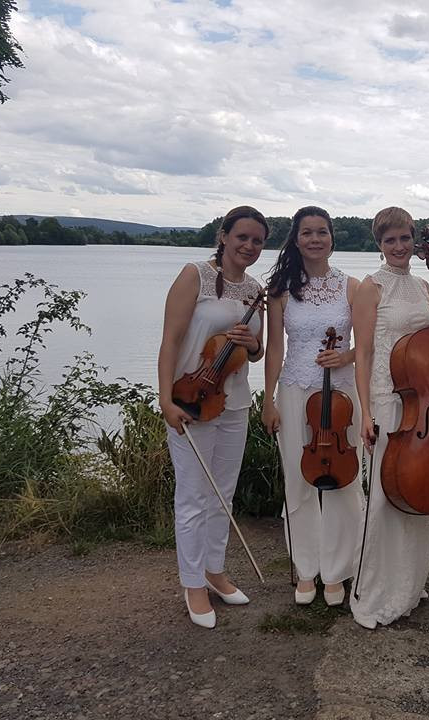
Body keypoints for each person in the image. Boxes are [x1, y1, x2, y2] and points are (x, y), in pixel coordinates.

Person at [158, 205, 267, 629]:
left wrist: (251, 341)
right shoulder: (195, 275)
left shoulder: (255, 288)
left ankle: (215, 570)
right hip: (190, 397)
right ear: (223, 235)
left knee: (223, 490)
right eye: (242, 237)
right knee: (191, 495)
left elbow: (254, 353)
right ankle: (193, 584)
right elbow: (169, 341)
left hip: (233, 401)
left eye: (257, 241)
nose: (249, 246)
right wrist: (165, 399)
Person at [349, 206, 429, 629]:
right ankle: (378, 588)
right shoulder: (371, 289)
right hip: (386, 400)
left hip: (420, 401)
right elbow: (364, 354)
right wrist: (366, 413)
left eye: (404, 238)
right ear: (379, 244)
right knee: (388, 496)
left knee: (418, 491)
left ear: (414, 240)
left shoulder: (425, 285)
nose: (398, 247)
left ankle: (409, 585)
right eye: (389, 240)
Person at [261, 206, 363, 607]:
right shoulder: (281, 289)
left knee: (343, 483)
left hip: (341, 397)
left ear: (333, 238)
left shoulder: (352, 286)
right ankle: (306, 569)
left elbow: (367, 346)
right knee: (298, 482)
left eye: (322, 232)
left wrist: (347, 357)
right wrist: (268, 399)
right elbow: (274, 350)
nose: (315, 239)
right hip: (293, 389)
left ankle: (337, 571)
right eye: (307, 232)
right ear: (296, 239)